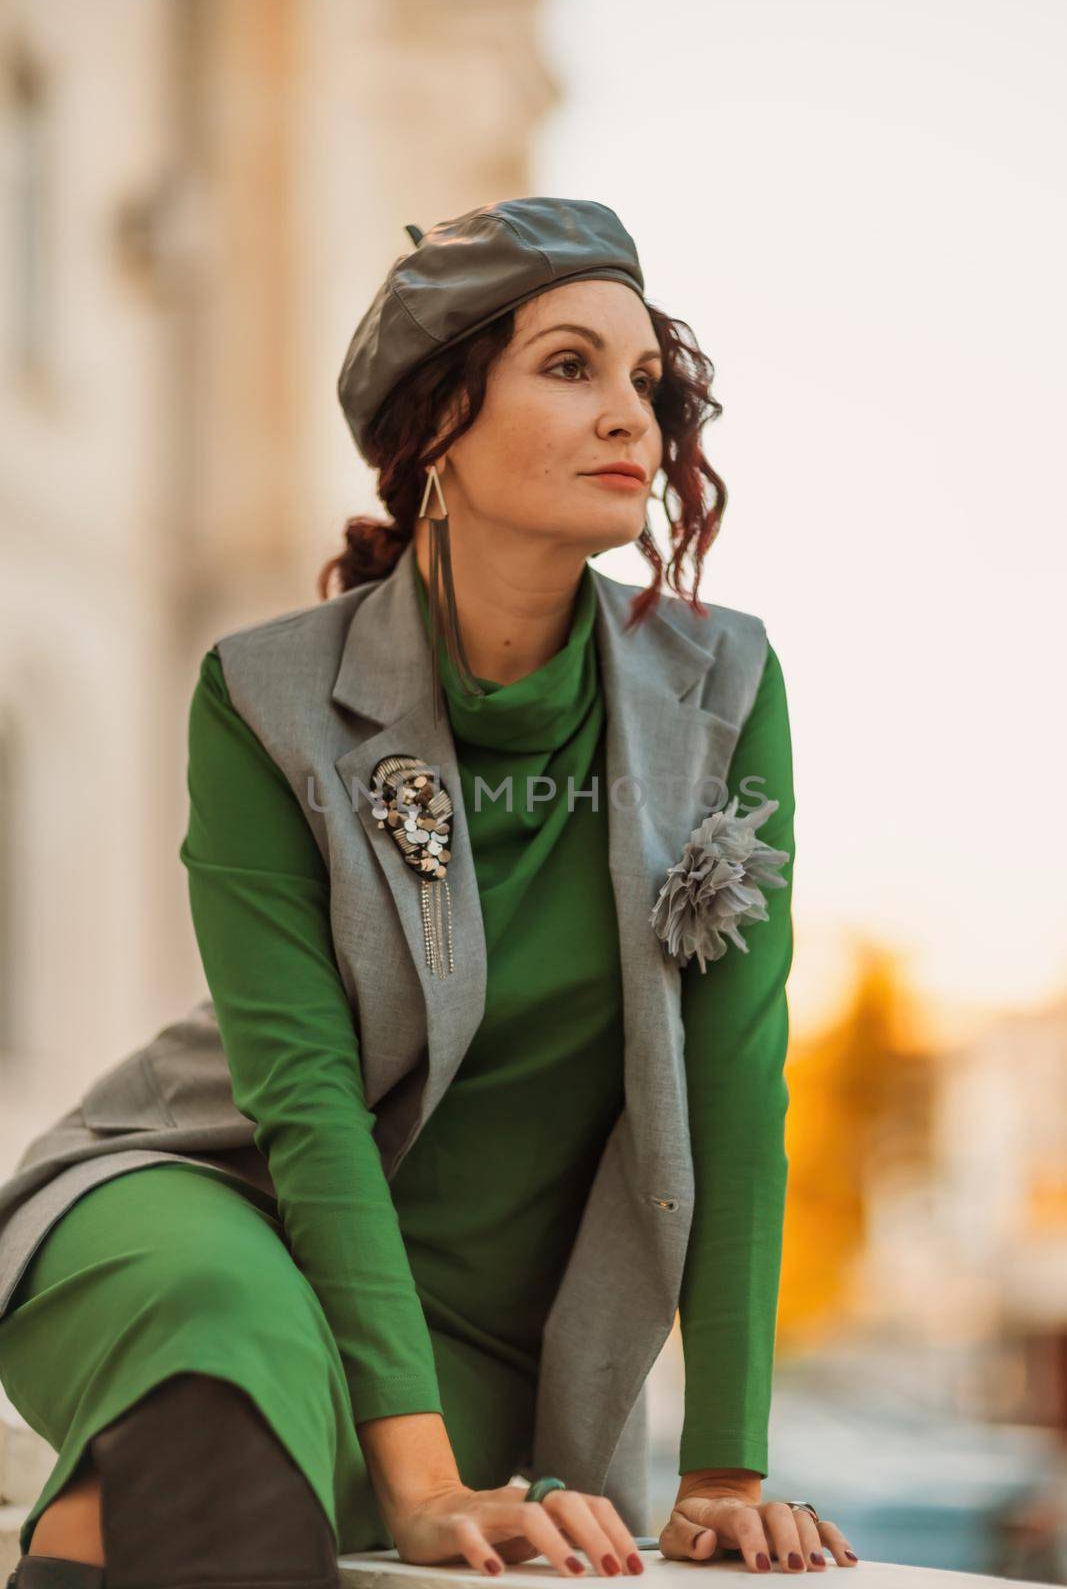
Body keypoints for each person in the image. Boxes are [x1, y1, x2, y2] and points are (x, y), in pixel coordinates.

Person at [0, 198, 860, 1588]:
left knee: (231, 1494)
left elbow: (734, 1083)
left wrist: (724, 1472)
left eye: (645, 381)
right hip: (216, 1204)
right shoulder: (267, 695)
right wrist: (421, 1482)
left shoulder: (725, 692)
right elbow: (306, 1098)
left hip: (485, 1338)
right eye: (570, 368)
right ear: (435, 429)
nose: (630, 417)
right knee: (224, 1399)